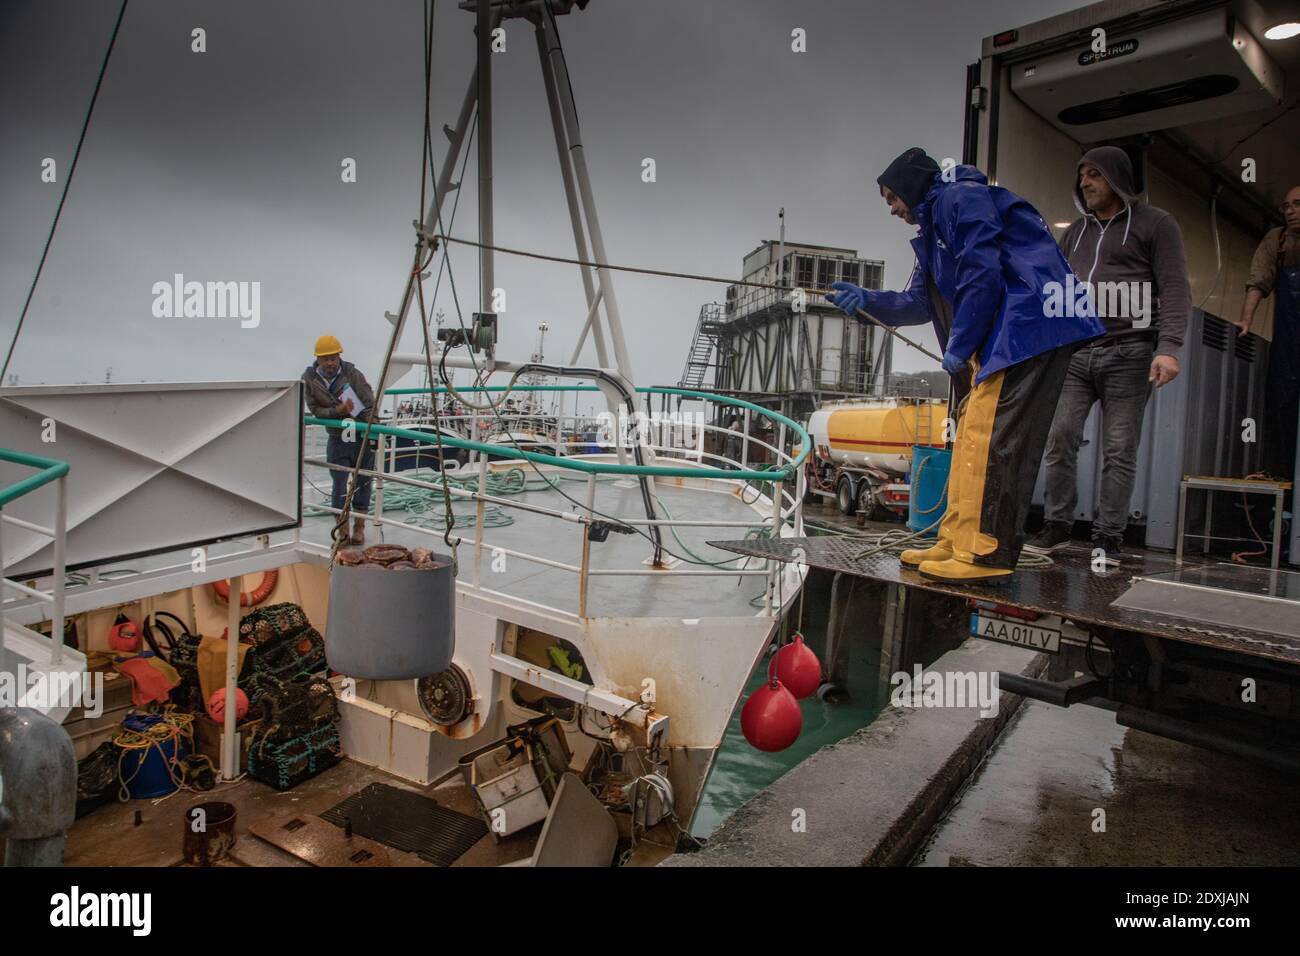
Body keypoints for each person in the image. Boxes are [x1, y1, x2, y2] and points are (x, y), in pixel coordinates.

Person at [827, 147, 1104, 583]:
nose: (893, 209)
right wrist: (870, 301)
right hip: (1004, 337)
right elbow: (918, 301)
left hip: (1028, 328)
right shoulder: (934, 230)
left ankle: (985, 553)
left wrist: (962, 342)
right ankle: (956, 540)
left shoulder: (960, 198)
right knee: (971, 433)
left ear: (911, 185)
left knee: (992, 441)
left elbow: (982, 272)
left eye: (892, 199)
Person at [1026, 147, 1190, 565]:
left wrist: (1169, 348)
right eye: (1081, 175)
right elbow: (1056, 289)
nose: (1085, 182)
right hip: (1076, 355)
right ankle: (1058, 526)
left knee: (1119, 449)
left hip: (1131, 353)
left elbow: (1174, 288)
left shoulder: (1156, 224)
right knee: (1059, 438)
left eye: (1094, 174)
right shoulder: (1075, 233)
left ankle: (1108, 537)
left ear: (1116, 179)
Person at [1236, 184, 1300, 483]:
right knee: (1284, 401)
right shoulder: (1278, 240)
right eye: (1286, 206)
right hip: (1289, 341)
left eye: (1297, 205)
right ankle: (1284, 477)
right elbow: (1259, 281)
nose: (1290, 211)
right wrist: (1245, 320)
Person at [302, 334, 376, 545]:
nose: (330, 363)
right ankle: (342, 528)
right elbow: (315, 410)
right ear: (318, 359)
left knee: (363, 481)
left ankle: (359, 527)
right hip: (337, 437)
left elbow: (369, 402)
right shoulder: (310, 380)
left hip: (360, 434)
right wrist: (338, 411)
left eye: (333, 358)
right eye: (326, 359)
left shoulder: (353, 374)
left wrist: (373, 430)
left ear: (339, 357)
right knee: (339, 483)